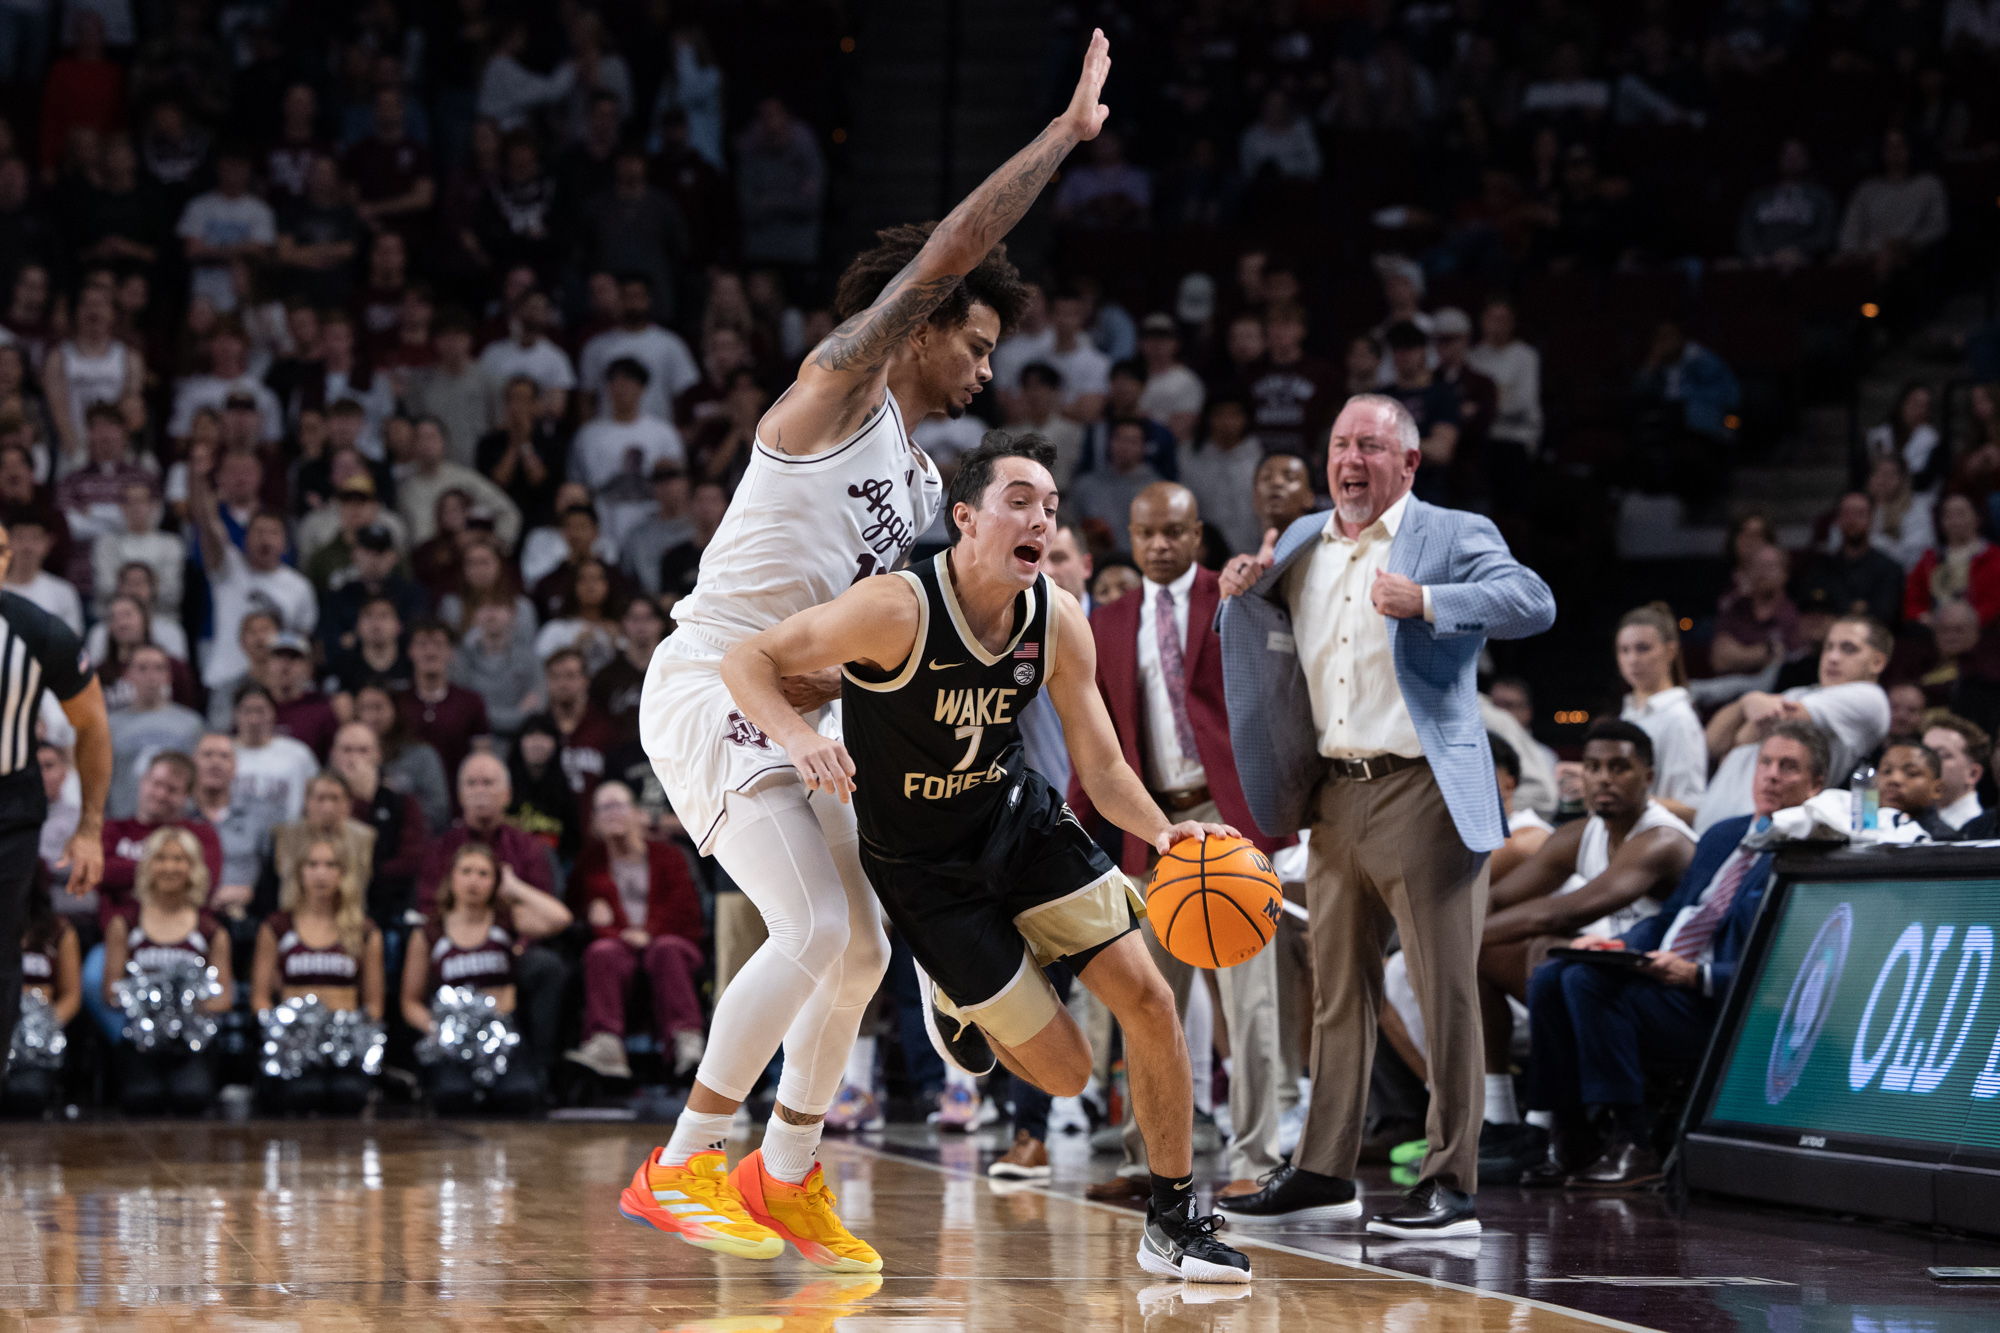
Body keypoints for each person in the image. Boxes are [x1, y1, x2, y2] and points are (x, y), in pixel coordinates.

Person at [625, 31, 1118, 1279]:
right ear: (923, 325)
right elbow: (949, 248)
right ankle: (681, 1160)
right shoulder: (830, 395)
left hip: (805, 704)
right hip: (719, 679)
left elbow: (896, 646)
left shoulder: (911, 475)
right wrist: (1059, 138)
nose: (986, 368)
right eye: (977, 343)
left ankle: (782, 1175)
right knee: (804, 930)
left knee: (860, 944)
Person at [719, 431, 1252, 1282]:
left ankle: (1173, 1217)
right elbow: (746, 658)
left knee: (1149, 997)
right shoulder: (895, 607)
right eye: (1019, 501)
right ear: (965, 518)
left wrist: (1166, 833)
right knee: (1069, 1073)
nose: (1040, 517)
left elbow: (1104, 766)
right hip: (927, 874)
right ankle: (954, 996)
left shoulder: (1055, 618)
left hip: (1019, 824)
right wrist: (794, 736)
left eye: (1050, 505)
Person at [1215, 393, 1556, 1238]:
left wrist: (1432, 601)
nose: (1351, 457)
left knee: (1442, 991)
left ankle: (1453, 1184)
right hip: (1331, 793)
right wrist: (1238, 592)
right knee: (1337, 991)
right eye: (1340, 443)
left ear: (1407, 462)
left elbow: (1534, 600)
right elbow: (1267, 626)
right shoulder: (1302, 537)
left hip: (1423, 788)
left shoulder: (1448, 531)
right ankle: (1327, 1170)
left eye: (1370, 443)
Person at [1070, 481, 1286, 1202]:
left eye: (1173, 532)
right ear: (1128, 538)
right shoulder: (1107, 617)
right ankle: (1146, 1158)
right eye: (1146, 533)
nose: (1159, 545)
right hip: (1154, 837)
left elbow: (1279, 702)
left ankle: (1256, 1153)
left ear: (1198, 533)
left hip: (1235, 829)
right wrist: (1075, 831)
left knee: (1252, 1009)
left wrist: (1284, 818)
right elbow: (1094, 746)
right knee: (1147, 1002)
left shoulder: (1237, 601)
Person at [1525, 723, 1829, 1188]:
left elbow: (1789, 970)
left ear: (1816, 786)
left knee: (1586, 984)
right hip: (1666, 975)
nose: (1770, 776)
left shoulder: (1809, 856)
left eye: (1788, 768)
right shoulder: (1724, 835)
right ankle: (1572, 1133)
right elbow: (1669, 919)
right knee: (1556, 971)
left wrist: (1699, 974)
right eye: (1764, 763)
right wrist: (1619, 946)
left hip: (1726, 1003)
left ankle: (1635, 1141)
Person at [1475, 721, 1696, 1120]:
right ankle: (1499, 1118)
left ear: (1647, 777)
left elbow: (1560, 912)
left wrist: (1453, 940)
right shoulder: (1581, 834)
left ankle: (1548, 1122)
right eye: (1593, 767)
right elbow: (1495, 898)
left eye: (1618, 767)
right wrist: (1464, 939)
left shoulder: (1661, 840)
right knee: (1484, 954)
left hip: (1669, 985)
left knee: (1549, 947)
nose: (1603, 779)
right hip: (1607, 975)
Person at [0, 551, 108, 1074]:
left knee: (2, 948)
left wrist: (89, 828)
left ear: (5, 562)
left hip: (9, 810)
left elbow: (93, 726)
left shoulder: (39, 632)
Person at [401, 841, 571, 1114]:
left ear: (495, 881)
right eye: (466, 871)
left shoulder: (505, 919)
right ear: (452, 878)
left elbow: (560, 918)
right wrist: (438, 1030)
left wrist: (515, 887)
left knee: (520, 1096)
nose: (474, 881)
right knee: (453, 1097)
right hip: (452, 1039)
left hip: (502, 1035)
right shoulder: (429, 931)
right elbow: (410, 1001)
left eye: (484, 874)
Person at [564, 781, 706, 1081]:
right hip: (617, 946)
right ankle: (606, 1046)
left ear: (637, 813)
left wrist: (649, 933)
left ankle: (687, 1043)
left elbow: (686, 911)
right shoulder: (589, 861)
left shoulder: (670, 856)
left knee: (666, 950)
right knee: (601, 952)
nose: (611, 813)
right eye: (603, 808)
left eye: (618, 805)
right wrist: (607, 927)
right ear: (594, 819)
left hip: (670, 944)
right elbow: (578, 914)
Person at [1698, 615, 1891, 832]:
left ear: (1877, 662)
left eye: (1848, 649)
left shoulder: (1870, 699)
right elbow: (1713, 742)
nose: (1833, 657)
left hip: (1756, 830)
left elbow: (1767, 725)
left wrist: (1752, 706)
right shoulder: (1800, 693)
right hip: (1716, 827)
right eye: (1828, 647)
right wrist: (1747, 701)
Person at [104, 826, 233, 1115]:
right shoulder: (125, 923)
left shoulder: (210, 930)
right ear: (149, 866)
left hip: (192, 1042)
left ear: (194, 868)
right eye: (161, 859)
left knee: (192, 1097)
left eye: (180, 859)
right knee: (142, 1100)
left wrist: (183, 1008)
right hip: (141, 1041)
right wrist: (151, 1004)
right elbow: (111, 992)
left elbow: (224, 998)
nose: (170, 867)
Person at [251, 834, 384, 1113]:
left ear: (345, 874)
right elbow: (260, 997)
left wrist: (356, 1037)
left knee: (348, 1094)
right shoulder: (278, 926)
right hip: (294, 1044)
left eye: (331, 865)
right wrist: (281, 1032)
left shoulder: (364, 930)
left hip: (345, 1044)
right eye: (312, 864)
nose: (320, 873)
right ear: (299, 871)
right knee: (304, 1094)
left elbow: (374, 1004)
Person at [1616, 606, 1706, 821]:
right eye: (1624, 650)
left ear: (1671, 651)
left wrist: (1618, 798)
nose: (1632, 659)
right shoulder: (1630, 711)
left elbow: (1691, 809)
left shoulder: (1678, 718)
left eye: (1643, 648)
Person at [6, 877, 81, 1115]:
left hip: (37, 1043)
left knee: (26, 1097)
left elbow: (71, 995)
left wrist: (41, 1029)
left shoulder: (58, 929)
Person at [106, 645, 205, 818]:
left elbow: (199, 777)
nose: (151, 675)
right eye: (142, 668)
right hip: (125, 821)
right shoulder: (111, 725)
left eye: (158, 668)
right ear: (128, 675)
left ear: (168, 675)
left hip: (178, 822)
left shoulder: (191, 724)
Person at [1794, 491, 1907, 631]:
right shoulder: (1820, 568)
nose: (1852, 520)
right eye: (1847, 513)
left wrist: (1835, 618)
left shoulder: (1889, 569)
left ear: (1871, 518)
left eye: (1859, 514)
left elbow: (1882, 618)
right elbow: (1806, 611)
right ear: (1837, 519)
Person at [355, 682, 450, 837]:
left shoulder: (422, 755)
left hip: (410, 840)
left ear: (395, 709)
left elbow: (438, 810)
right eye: (364, 708)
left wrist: (397, 804)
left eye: (378, 707)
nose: (370, 716)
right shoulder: (345, 753)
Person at [450, 593, 543, 737]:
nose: (490, 613)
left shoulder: (531, 661)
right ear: (475, 617)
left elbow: (536, 710)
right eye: (483, 607)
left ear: (514, 615)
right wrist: (518, 713)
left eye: (498, 606)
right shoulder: (460, 661)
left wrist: (480, 714)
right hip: (473, 742)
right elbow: (462, 711)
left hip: (521, 743)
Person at [230, 683, 321, 824]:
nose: (254, 719)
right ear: (236, 714)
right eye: (247, 711)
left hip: (287, 836)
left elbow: (316, 798)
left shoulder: (298, 754)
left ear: (273, 713)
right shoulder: (222, 753)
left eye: (260, 711)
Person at [1906, 492, 2000, 625]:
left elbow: (1994, 603)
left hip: (1982, 629)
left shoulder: (1994, 557)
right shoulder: (1929, 560)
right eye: (1948, 515)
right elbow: (1912, 602)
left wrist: (1968, 620)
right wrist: (1923, 616)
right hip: (1934, 631)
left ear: (1978, 518)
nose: (1955, 521)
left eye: (1961, 514)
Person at [1711, 544, 1803, 676]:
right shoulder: (1735, 607)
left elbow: (1788, 665)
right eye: (1757, 566)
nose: (1762, 573)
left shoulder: (1794, 613)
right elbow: (1719, 660)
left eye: (1770, 566)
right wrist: (1767, 652)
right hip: (1728, 690)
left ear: (1785, 574)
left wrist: (1739, 654)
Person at [1876, 740, 1959, 840]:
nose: (1894, 779)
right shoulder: (1857, 831)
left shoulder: (1945, 842)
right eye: (1886, 771)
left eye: (1911, 773)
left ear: (1937, 789)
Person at [1921, 710, 1989, 830]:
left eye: (1942, 755)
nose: (1926, 763)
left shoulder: (1977, 833)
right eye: (1923, 754)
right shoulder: (1907, 817)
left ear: (1973, 774)